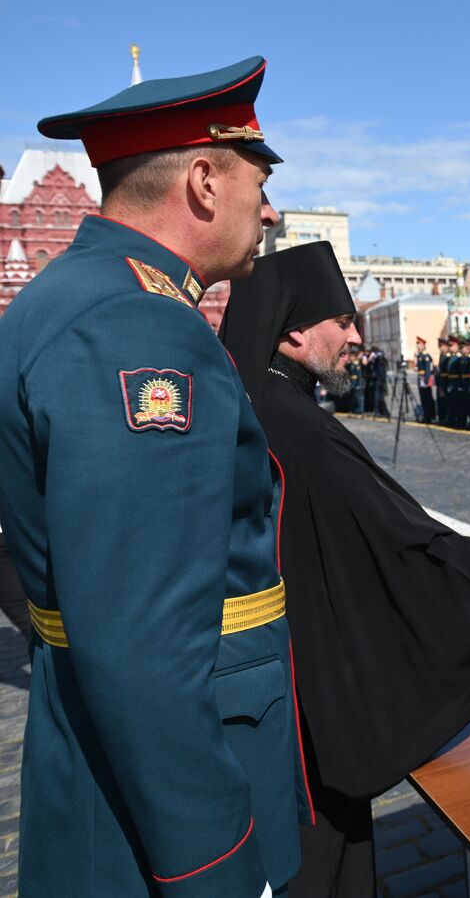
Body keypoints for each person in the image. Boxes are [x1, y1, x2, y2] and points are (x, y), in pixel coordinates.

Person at [0, 56, 306, 896]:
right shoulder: (141, 325)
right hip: (168, 822)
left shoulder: (62, 298)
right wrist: (216, 865)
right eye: (259, 179)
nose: (269, 208)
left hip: (97, 770)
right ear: (205, 181)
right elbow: (142, 646)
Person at [220, 242, 470, 896]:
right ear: (293, 332)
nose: (355, 336)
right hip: (305, 713)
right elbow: (415, 551)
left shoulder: (259, 405)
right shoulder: (302, 433)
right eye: (343, 321)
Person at [414, 337, 436, 423]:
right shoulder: (419, 355)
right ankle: (426, 414)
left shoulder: (426, 356)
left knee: (427, 398)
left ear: (423, 345)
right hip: (421, 378)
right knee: (423, 398)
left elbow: (428, 369)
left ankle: (429, 416)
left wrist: (427, 380)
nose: (417, 346)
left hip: (425, 379)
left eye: (419, 344)